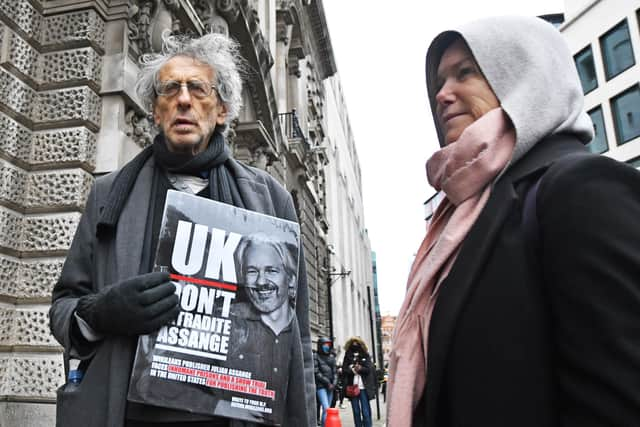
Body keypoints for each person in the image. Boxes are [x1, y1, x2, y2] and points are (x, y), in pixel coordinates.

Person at [49, 32, 315, 427]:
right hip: (127, 415)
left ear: (222, 110)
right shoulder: (107, 196)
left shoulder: (270, 200)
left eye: (198, 88)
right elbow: (62, 310)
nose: (184, 100)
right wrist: (101, 313)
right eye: (170, 89)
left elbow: (298, 341)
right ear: (155, 112)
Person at [387, 15, 640, 427]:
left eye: (465, 73)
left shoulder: (580, 188)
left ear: (524, 77)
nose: (443, 95)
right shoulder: (461, 216)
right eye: (438, 83)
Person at [342, 337, 376, 427]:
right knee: (356, 411)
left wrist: (360, 368)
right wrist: (352, 370)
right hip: (353, 388)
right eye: (353, 343)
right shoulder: (348, 355)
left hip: (364, 388)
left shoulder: (365, 355)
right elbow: (344, 369)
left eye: (357, 343)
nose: (355, 345)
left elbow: (369, 369)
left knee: (365, 411)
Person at [313, 337, 337, 426]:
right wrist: (327, 383)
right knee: (326, 407)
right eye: (325, 344)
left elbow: (335, 372)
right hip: (321, 386)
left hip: (331, 387)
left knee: (328, 410)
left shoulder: (331, 357)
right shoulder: (316, 356)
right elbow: (316, 372)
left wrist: (334, 383)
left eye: (328, 344)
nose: (327, 346)